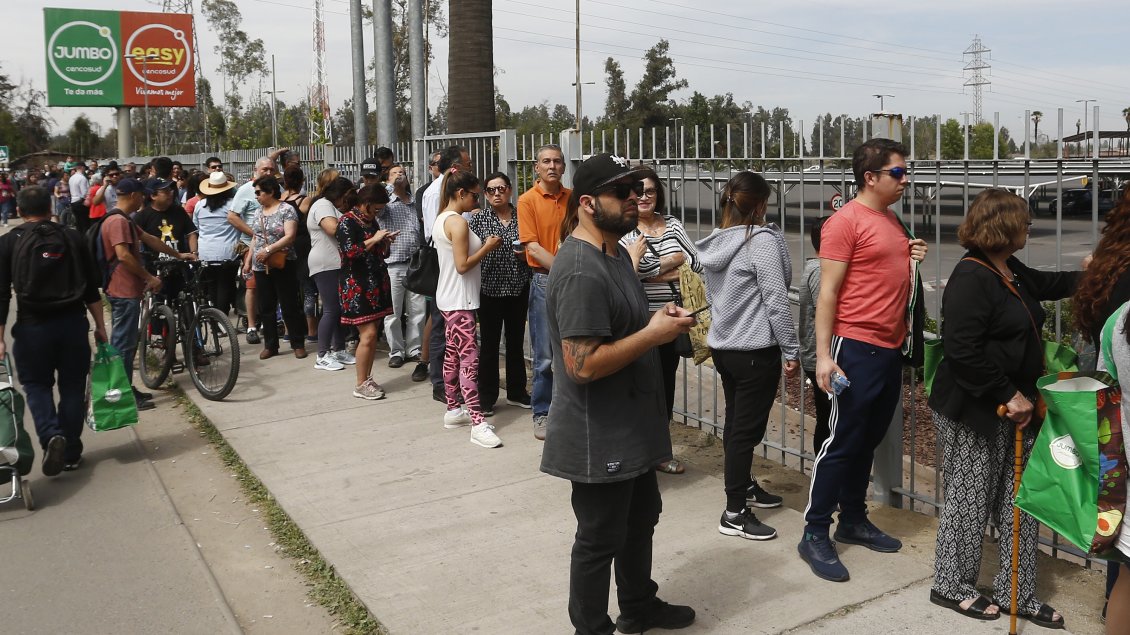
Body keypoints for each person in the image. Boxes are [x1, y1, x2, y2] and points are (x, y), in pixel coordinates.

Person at [543, 153, 696, 635]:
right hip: (598, 433)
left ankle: (638, 606)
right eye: (622, 192)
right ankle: (591, 627)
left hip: (631, 426)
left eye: (637, 189)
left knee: (640, 520)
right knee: (599, 538)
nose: (635, 198)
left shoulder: (614, 255)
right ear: (588, 203)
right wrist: (652, 336)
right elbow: (582, 364)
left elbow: (628, 326)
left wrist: (660, 326)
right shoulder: (581, 269)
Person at [927, 189, 1076, 626]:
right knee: (970, 500)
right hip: (977, 408)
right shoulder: (972, 276)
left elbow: (1050, 285)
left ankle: (1018, 591)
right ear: (1004, 226)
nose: (1030, 227)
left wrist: (1097, 273)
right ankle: (951, 584)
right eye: (1024, 222)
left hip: (1019, 409)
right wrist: (1007, 394)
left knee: (1018, 503)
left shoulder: (1008, 268)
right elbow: (962, 350)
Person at [801, 138, 928, 582]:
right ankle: (815, 532)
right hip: (853, 348)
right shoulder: (845, 222)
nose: (905, 180)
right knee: (840, 443)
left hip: (888, 350)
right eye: (898, 173)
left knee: (867, 438)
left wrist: (912, 256)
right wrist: (822, 357)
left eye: (905, 172)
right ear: (869, 177)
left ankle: (853, 519)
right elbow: (828, 294)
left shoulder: (891, 219)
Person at [697, 170, 799, 541]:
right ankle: (734, 512)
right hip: (756, 350)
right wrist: (791, 349)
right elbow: (776, 298)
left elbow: (712, 297)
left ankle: (744, 486)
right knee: (746, 431)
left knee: (736, 424)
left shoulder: (714, 243)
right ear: (759, 204)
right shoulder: (761, 242)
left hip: (726, 348)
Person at [0, 185, 107, 474]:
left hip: (32, 327)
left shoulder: (9, 242)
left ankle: (50, 435)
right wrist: (100, 327)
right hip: (73, 324)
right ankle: (70, 451)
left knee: (36, 385)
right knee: (72, 386)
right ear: (51, 208)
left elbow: (1, 294)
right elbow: (91, 289)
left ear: (20, 211)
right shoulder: (72, 237)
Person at [620, 167, 701, 474]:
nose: (644, 197)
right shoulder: (626, 230)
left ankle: (661, 452)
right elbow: (630, 271)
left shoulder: (673, 224)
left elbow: (696, 262)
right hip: (640, 321)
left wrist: (659, 269)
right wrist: (672, 261)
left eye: (650, 191)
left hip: (671, 319)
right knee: (639, 387)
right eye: (638, 192)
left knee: (664, 387)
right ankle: (637, 450)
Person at [102, 177, 196, 411]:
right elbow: (123, 256)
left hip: (127, 291)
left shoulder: (125, 220)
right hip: (122, 291)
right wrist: (149, 277)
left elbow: (151, 239)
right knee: (123, 345)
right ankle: (119, 395)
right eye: (141, 195)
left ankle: (123, 389)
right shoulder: (118, 221)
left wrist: (178, 255)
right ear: (134, 196)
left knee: (127, 342)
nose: (143, 199)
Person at [433, 169, 503, 447]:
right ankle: (477, 422)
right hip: (460, 302)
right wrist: (487, 247)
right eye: (475, 195)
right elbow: (463, 266)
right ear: (461, 194)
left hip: (450, 299)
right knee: (469, 361)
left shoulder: (444, 218)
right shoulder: (458, 223)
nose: (479, 199)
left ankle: (453, 409)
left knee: (452, 355)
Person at [518, 143, 570, 440]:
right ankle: (542, 412)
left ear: (564, 167)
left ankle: (567, 410)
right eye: (546, 162)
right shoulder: (527, 201)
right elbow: (533, 247)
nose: (552, 166)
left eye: (557, 161)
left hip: (570, 281)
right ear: (536, 168)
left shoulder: (573, 199)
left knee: (573, 349)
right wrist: (565, 270)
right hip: (544, 281)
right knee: (545, 356)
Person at [470, 171, 531, 417]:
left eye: (501, 188)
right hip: (489, 290)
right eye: (491, 190)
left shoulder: (522, 216)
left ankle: (517, 391)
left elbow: (534, 246)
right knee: (490, 345)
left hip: (518, 287)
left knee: (516, 343)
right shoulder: (478, 220)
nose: (497, 193)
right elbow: (468, 253)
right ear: (485, 195)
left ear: (509, 190)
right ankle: (486, 396)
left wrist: (524, 255)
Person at [422, 146, 472, 402]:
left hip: (452, 262)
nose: (470, 167)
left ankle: (448, 385)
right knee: (442, 326)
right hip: (444, 264)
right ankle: (441, 384)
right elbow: (438, 232)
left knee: (448, 332)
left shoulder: (448, 192)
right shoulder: (438, 193)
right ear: (455, 166)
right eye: (467, 164)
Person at [336, 185, 395, 400]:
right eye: (377, 209)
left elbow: (378, 251)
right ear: (366, 203)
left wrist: (385, 241)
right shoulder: (347, 221)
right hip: (357, 284)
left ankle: (366, 378)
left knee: (372, 333)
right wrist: (374, 239)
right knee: (368, 335)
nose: (378, 213)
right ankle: (360, 383)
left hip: (375, 282)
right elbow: (350, 252)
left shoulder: (371, 221)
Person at [244, 174, 307, 360]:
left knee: (289, 304)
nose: (256, 196)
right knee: (266, 306)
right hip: (260, 265)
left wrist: (270, 250)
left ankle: (297, 343)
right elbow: (255, 238)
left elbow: (290, 236)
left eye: (259, 192)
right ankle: (271, 345)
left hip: (283, 262)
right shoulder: (258, 212)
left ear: (271, 191)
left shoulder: (286, 210)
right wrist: (248, 261)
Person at [379, 164, 427, 378]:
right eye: (395, 173)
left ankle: (414, 349)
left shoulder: (414, 202)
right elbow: (377, 207)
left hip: (415, 263)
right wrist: (390, 186)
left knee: (417, 310)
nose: (401, 175)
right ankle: (396, 351)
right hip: (394, 264)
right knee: (393, 312)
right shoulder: (386, 202)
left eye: (403, 173)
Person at [308, 177, 356, 372]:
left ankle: (338, 349)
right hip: (325, 263)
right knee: (331, 309)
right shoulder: (322, 205)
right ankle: (322, 355)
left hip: (335, 263)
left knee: (339, 309)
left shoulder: (329, 205)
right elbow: (333, 228)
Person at [232, 157, 278, 345]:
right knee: (252, 285)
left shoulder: (277, 189)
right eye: (265, 169)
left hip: (275, 246)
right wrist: (256, 234)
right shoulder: (245, 191)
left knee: (274, 286)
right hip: (250, 245)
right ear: (256, 169)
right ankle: (252, 325)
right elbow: (233, 217)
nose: (268, 172)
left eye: (271, 169)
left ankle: (274, 322)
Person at [193, 171, 250, 317]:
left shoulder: (200, 205)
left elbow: (197, 227)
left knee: (212, 285)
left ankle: (215, 318)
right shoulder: (232, 206)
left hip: (206, 252)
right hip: (228, 252)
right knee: (226, 284)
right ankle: (222, 318)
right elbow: (241, 224)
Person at [798, 217, 832, 454]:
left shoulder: (817, 267)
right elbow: (828, 313)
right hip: (821, 357)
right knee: (829, 421)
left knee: (828, 418)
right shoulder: (821, 271)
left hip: (817, 356)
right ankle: (825, 474)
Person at [282, 166, 318, 344]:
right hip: (303, 248)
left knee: (290, 292)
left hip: (285, 248)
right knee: (309, 290)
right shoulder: (305, 201)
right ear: (302, 181)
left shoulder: (279, 201)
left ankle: (289, 330)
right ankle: (312, 331)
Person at [68, 162, 90, 233]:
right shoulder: (82, 178)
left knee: (78, 223)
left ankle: (79, 240)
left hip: (73, 201)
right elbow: (84, 192)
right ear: (82, 167)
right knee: (85, 224)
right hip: (81, 202)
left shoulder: (71, 178)